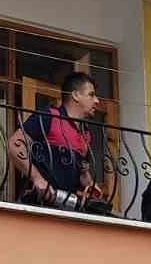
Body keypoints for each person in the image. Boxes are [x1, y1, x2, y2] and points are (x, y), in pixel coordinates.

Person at [7, 73, 110, 213]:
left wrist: (90, 186)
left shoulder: (86, 133)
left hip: (68, 208)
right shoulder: (49, 116)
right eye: (91, 95)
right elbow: (14, 144)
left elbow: (81, 172)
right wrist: (37, 179)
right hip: (39, 204)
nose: (97, 101)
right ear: (75, 95)